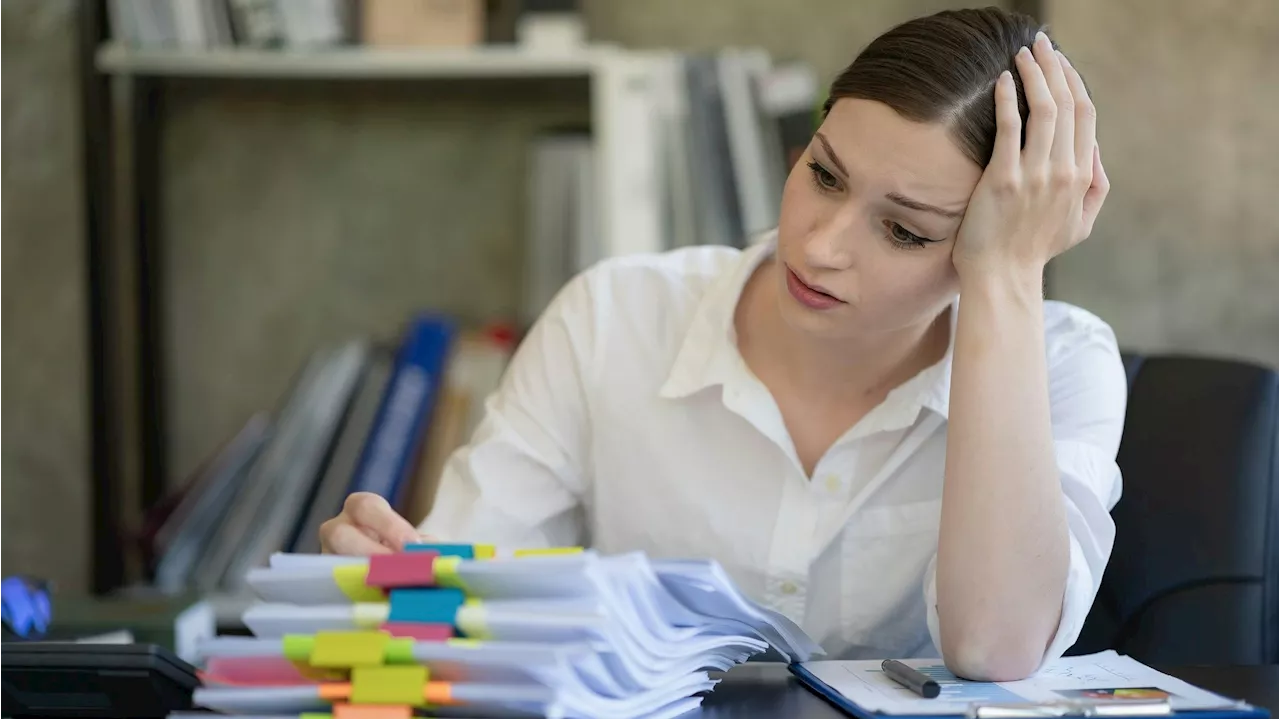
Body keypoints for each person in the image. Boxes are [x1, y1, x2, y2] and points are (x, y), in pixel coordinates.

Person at [319, 7, 1123, 682]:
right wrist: (393, 578)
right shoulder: (613, 316)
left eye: (905, 230)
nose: (820, 243)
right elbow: (459, 593)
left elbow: (994, 647)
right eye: (826, 175)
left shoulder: (1063, 362)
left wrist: (1010, 277)